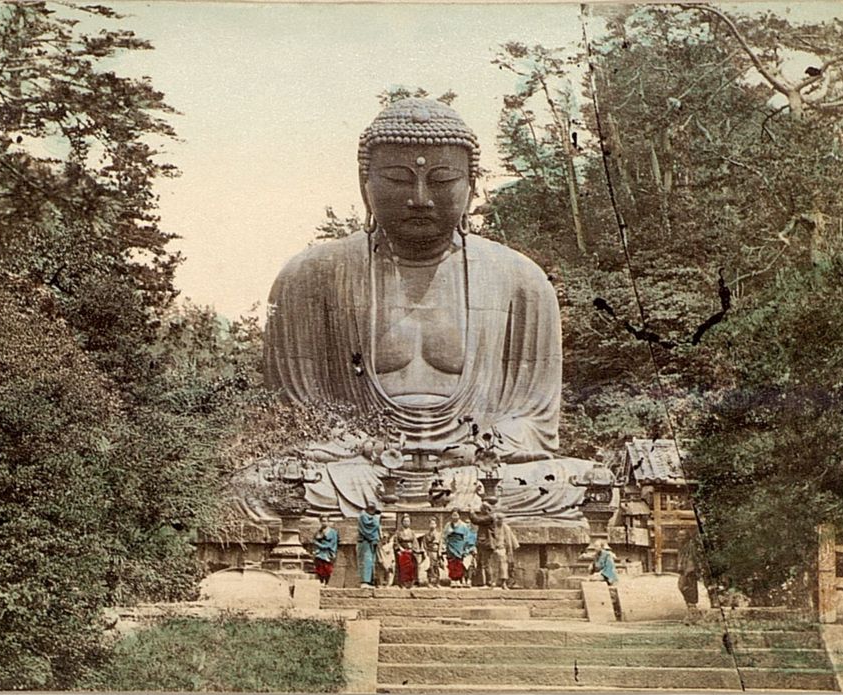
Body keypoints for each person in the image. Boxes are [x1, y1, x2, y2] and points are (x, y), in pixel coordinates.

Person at [256, 97, 599, 519]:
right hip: (355, 468)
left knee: (576, 482)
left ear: (470, 186)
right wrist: (360, 450)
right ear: (366, 184)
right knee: (260, 487)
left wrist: (478, 453)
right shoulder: (311, 274)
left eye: (441, 180)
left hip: (478, 469)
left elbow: (534, 422)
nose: (420, 198)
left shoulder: (520, 280)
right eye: (398, 179)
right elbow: (295, 416)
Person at [490, 513, 520, 589]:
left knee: (503, 566)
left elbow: (509, 541)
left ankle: (504, 583)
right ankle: (492, 582)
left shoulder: (506, 528)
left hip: (502, 548)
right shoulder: (492, 527)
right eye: (497, 519)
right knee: (493, 566)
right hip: (493, 549)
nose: (499, 521)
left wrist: (510, 551)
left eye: (500, 519)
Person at [677, 533, 702, 621]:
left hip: (689, 571)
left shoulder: (691, 546)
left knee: (688, 589)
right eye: (679, 536)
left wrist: (689, 570)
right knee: (682, 587)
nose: (680, 538)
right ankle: (691, 612)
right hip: (684, 570)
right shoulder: (683, 547)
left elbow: (692, 558)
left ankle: (693, 613)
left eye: (682, 536)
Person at [442, 510, 470, 587]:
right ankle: (453, 580)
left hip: (459, 546)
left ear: (459, 516)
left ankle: (458, 579)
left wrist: (465, 548)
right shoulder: (448, 525)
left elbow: (466, 537)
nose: (455, 516)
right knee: (451, 563)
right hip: (450, 545)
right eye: (453, 515)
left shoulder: (464, 525)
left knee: (458, 563)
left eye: (456, 515)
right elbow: (444, 536)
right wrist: (444, 546)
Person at [357, 502, 381, 588]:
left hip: (372, 542)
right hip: (365, 542)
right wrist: (376, 519)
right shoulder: (363, 516)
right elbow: (370, 527)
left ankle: (371, 580)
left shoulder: (372, 516)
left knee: (372, 561)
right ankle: (364, 581)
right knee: (367, 560)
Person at [312, 514, 339, 586]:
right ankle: (321, 581)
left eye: (325, 521)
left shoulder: (332, 532)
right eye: (322, 521)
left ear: (328, 522)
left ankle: (326, 582)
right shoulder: (318, 532)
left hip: (328, 552)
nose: (324, 523)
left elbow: (333, 543)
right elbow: (315, 541)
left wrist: (332, 551)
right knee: (319, 567)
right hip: (320, 552)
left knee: (327, 568)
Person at [418, 517, 443, 587]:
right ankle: (429, 582)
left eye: (433, 523)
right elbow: (424, 544)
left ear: (436, 525)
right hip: (429, 551)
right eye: (431, 523)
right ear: (429, 525)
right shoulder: (426, 535)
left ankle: (437, 582)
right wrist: (425, 552)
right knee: (429, 567)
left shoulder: (439, 534)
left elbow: (441, 543)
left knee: (436, 567)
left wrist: (439, 551)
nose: (432, 525)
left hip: (436, 552)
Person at [395, 513, 418, 588]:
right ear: (402, 522)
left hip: (410, 552)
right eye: (404, 521)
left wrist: (412, 549)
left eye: (408, 521)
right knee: (402, 567)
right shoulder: (398, 532)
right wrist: (399, 548)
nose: (406, 523)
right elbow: (396, 541)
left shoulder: (412, 532)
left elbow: (415, 542)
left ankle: (410, 583)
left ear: (410, 522)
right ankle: (402, 583)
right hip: (402, 551)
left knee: (411, 567)